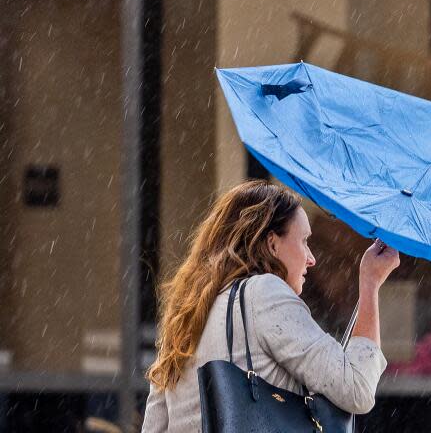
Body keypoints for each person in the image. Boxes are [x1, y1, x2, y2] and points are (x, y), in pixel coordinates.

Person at [140, 180, 400, 432]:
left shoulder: (189, 312)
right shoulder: (264, 293)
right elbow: (356, 388)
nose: (311, 259)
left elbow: (155, 425)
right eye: (304, 241)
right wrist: (370, 283)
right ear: (272, 244)